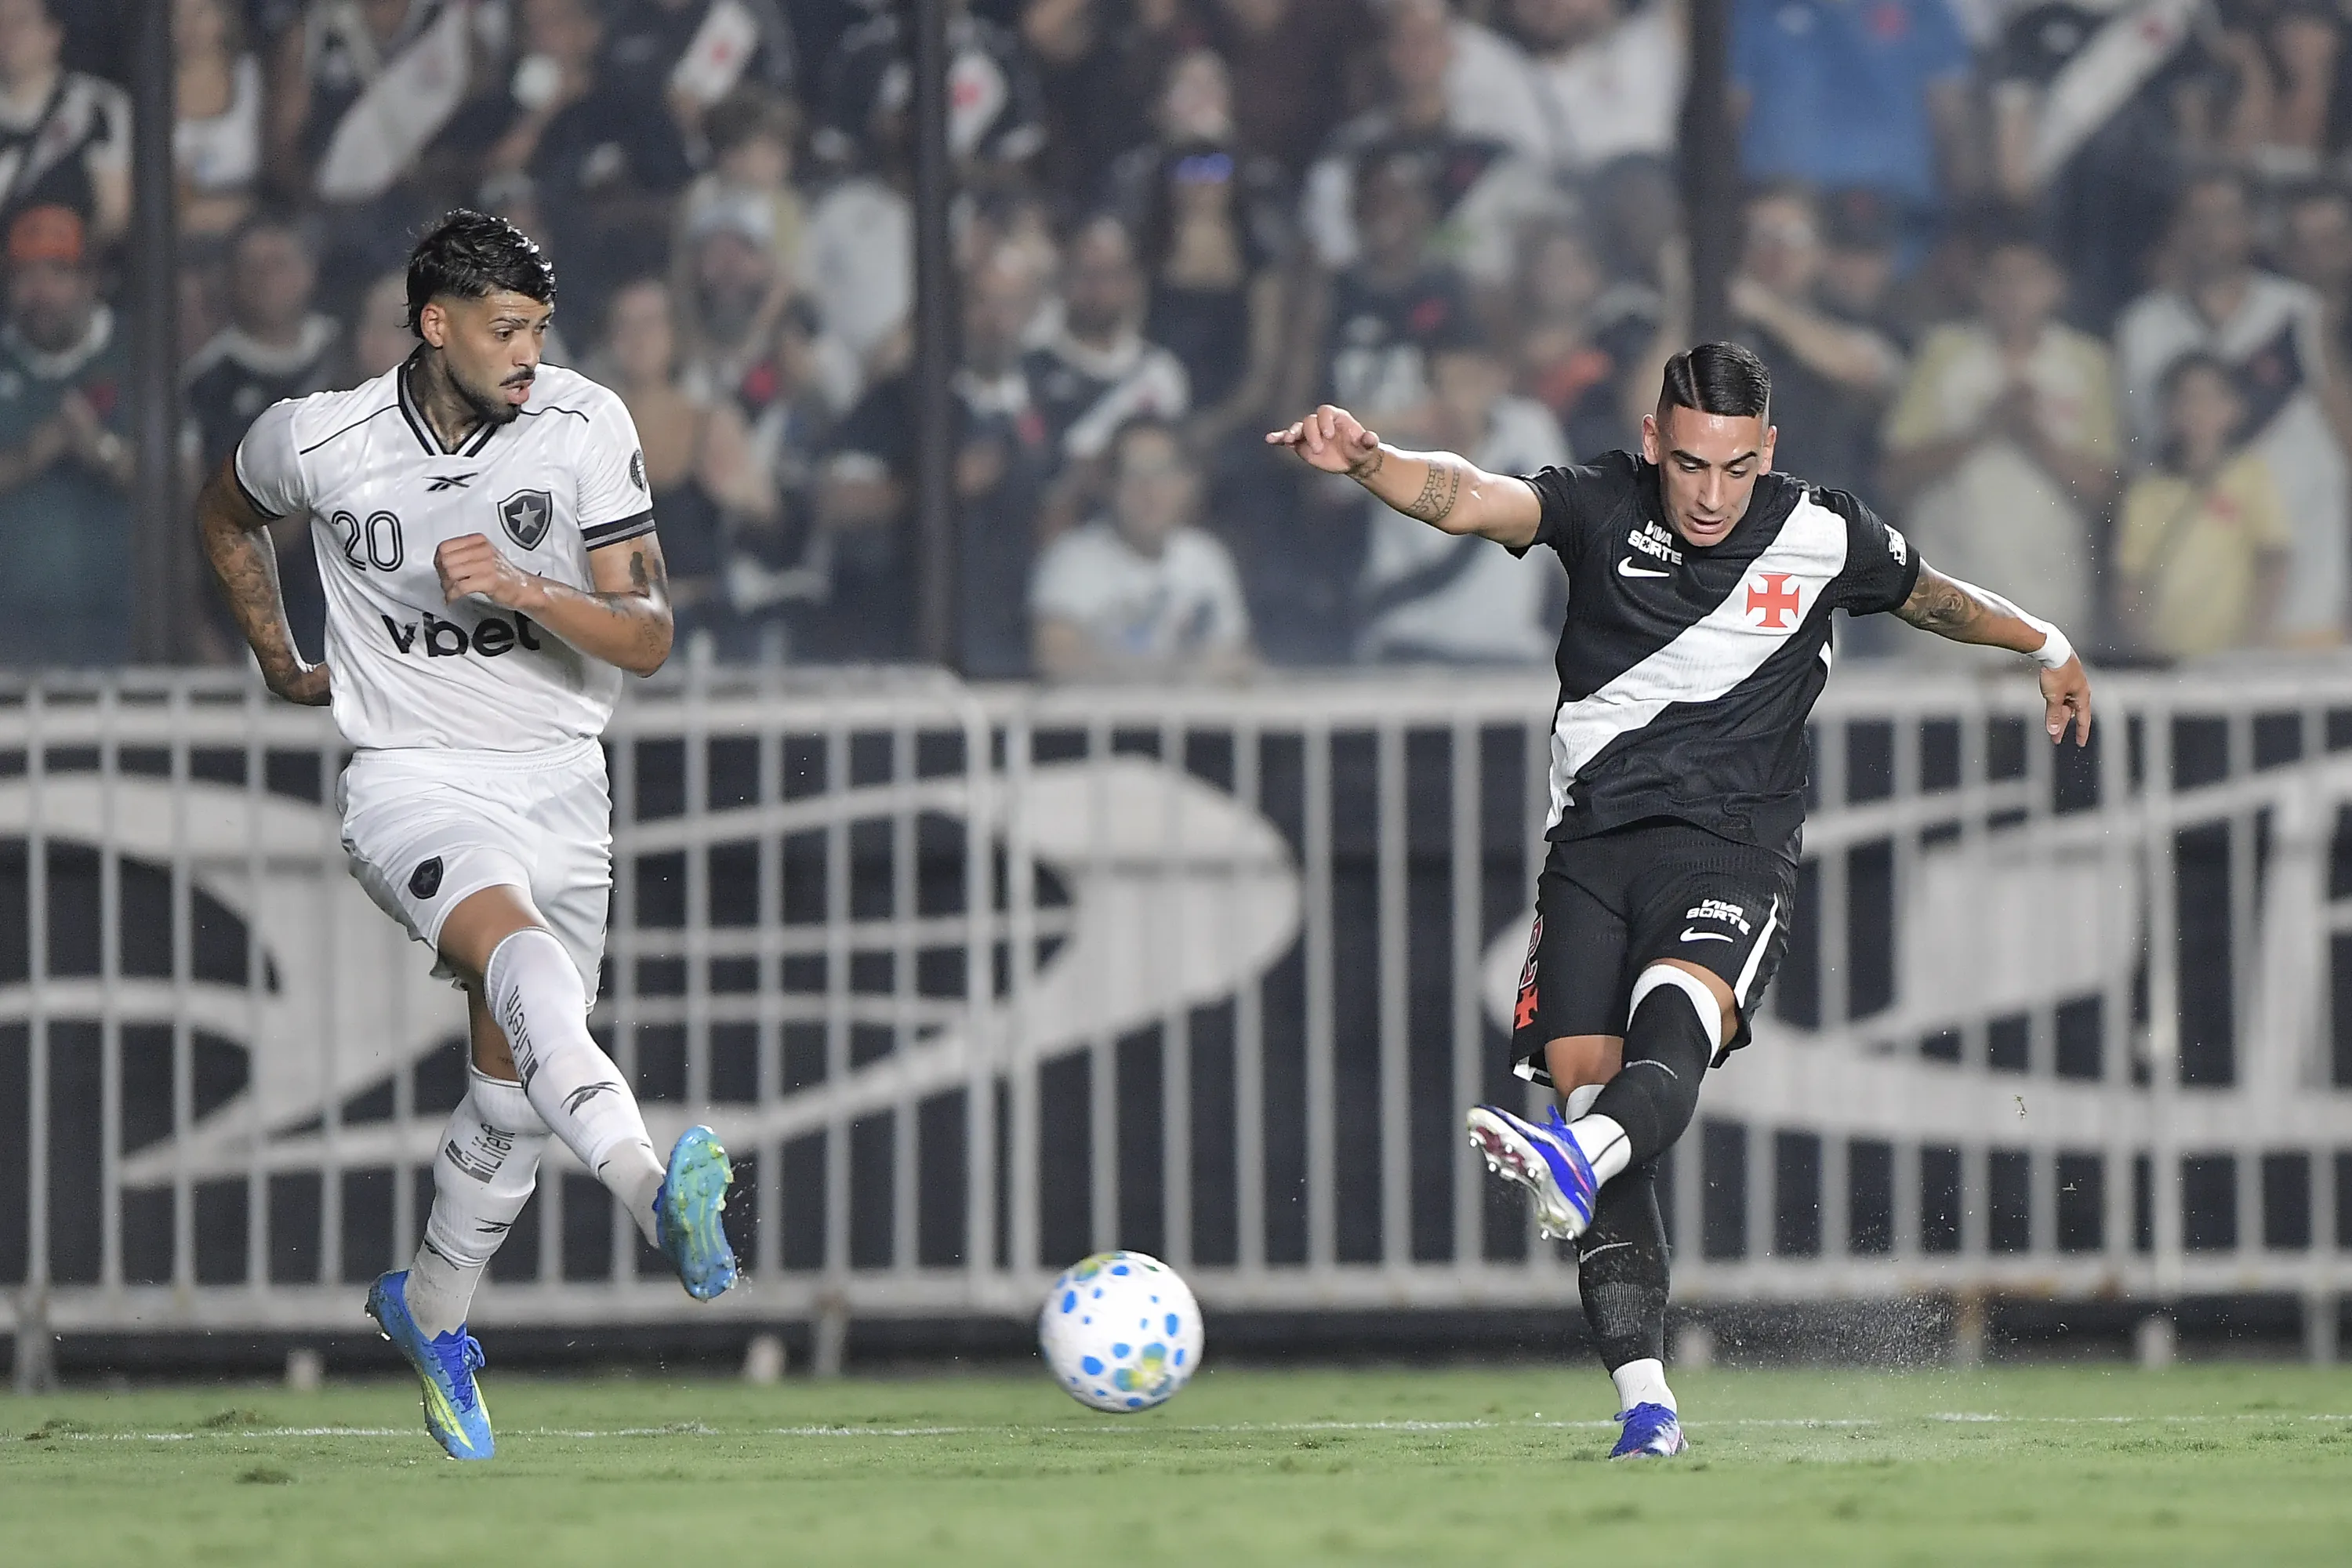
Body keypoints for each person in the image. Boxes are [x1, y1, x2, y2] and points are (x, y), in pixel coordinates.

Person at [1266, 340, 2092, 1458]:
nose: (1711, 494)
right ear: (1655, 442)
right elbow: (1468, 498)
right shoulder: (1600, 501)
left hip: (1732, 851)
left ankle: (1577, 1155)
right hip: (1593, 856)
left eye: (1737, 469)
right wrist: (1369, 460)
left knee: (1674, 1033)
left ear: (1769, 454)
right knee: (1604, 1117)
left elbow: (1934, 597)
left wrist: (2045, 641)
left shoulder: (1824, 534)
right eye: (1692, 465)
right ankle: (1647, 1408)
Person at [194, 210, 741, 1464]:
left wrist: (528, 587)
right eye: (506, 330)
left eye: (540, 329)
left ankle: (428, 1314)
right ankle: (659, 1197)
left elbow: (648, 637)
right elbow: (223, 513)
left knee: (511, 1091)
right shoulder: (319, 438)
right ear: (434, 325)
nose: (529, 354)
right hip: (414, 781)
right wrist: (281, 658)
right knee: (524, 963)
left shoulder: (587, 424)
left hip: (562, 780)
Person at [2115, 169, 2348, 645]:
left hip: (2305, 581)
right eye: (2196, 218)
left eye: (2225, 217)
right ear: (2175, 229)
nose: (2210, 232)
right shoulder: (2142, 327)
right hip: (2192, 595)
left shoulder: (2300, 311)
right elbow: (2142, 456)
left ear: (2251, 228)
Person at [1880, 224, 2117, 657]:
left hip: (2050, 597)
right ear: (1980, 287)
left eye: (2028, 278)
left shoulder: (2085, 361)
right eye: (2000, 279)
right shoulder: (1942, 353)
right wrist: (1984, 428)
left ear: (2055, 286)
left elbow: (2105, 489)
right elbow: (1895, 474)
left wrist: (2033, 435)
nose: (2013, 292)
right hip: (1947, 596)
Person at [185, 215, 343, 662]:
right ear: (231, 278)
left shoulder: (349, 355)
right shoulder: (206, 384)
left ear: (309, 271)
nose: (267, 280)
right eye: (253, 267)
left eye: (281, 264)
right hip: (264, 627)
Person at [0, 204, 132, 665]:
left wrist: (104, 451)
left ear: (90, 281)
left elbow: (185, 484)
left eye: (57, 274)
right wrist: (32, 454)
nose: (40, 293)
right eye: (24, 276)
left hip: (124, 641)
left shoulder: (136, 354)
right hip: (10, 646)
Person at [1033, 413, 1253, 681]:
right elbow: (1058, 658)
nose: (1149, 490)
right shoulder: (1070, 560)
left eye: (1163, 472)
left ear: (1187, 484)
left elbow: (1236, 658)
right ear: (1110, 486)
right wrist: (1178, 673)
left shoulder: (1206, 556)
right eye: (1134, 474)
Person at [2114, 351, 2291, 659]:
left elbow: (2274, 559)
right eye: (2186, 398)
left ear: (2235, 408)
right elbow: (2129, 579)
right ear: (2167, 410)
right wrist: (2145, 646)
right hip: (2167, 655)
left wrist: (2254, 637)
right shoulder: (2147, 492)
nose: (2197, 410)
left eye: (2211, 398)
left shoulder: (2250, 476)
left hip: (2235, 653)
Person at [0, 0, 132, 249]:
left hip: (77, 273)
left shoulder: (99, 108)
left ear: (53, 34)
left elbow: (115, 216)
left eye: (20, 22)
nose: (6, 34)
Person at [173, 0, 266, 241]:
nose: (189, 28)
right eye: (176, 16)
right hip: (173, 239)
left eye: (201, 13)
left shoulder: (255, 78)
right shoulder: (143, 90)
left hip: (249, 230)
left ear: (224, 17)